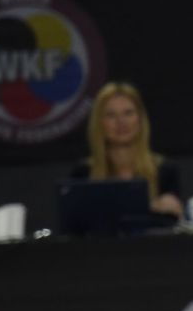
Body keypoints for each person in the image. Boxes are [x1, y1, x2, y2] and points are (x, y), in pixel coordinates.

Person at [71, 82, 185, 219]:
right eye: (111, 115)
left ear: (140, 119)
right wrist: (150, 207)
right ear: (99, 123)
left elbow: (172, 227)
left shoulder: (165, 171)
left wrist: (173, 209)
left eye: (128, 113)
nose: (121, 122)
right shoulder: (83, 174)